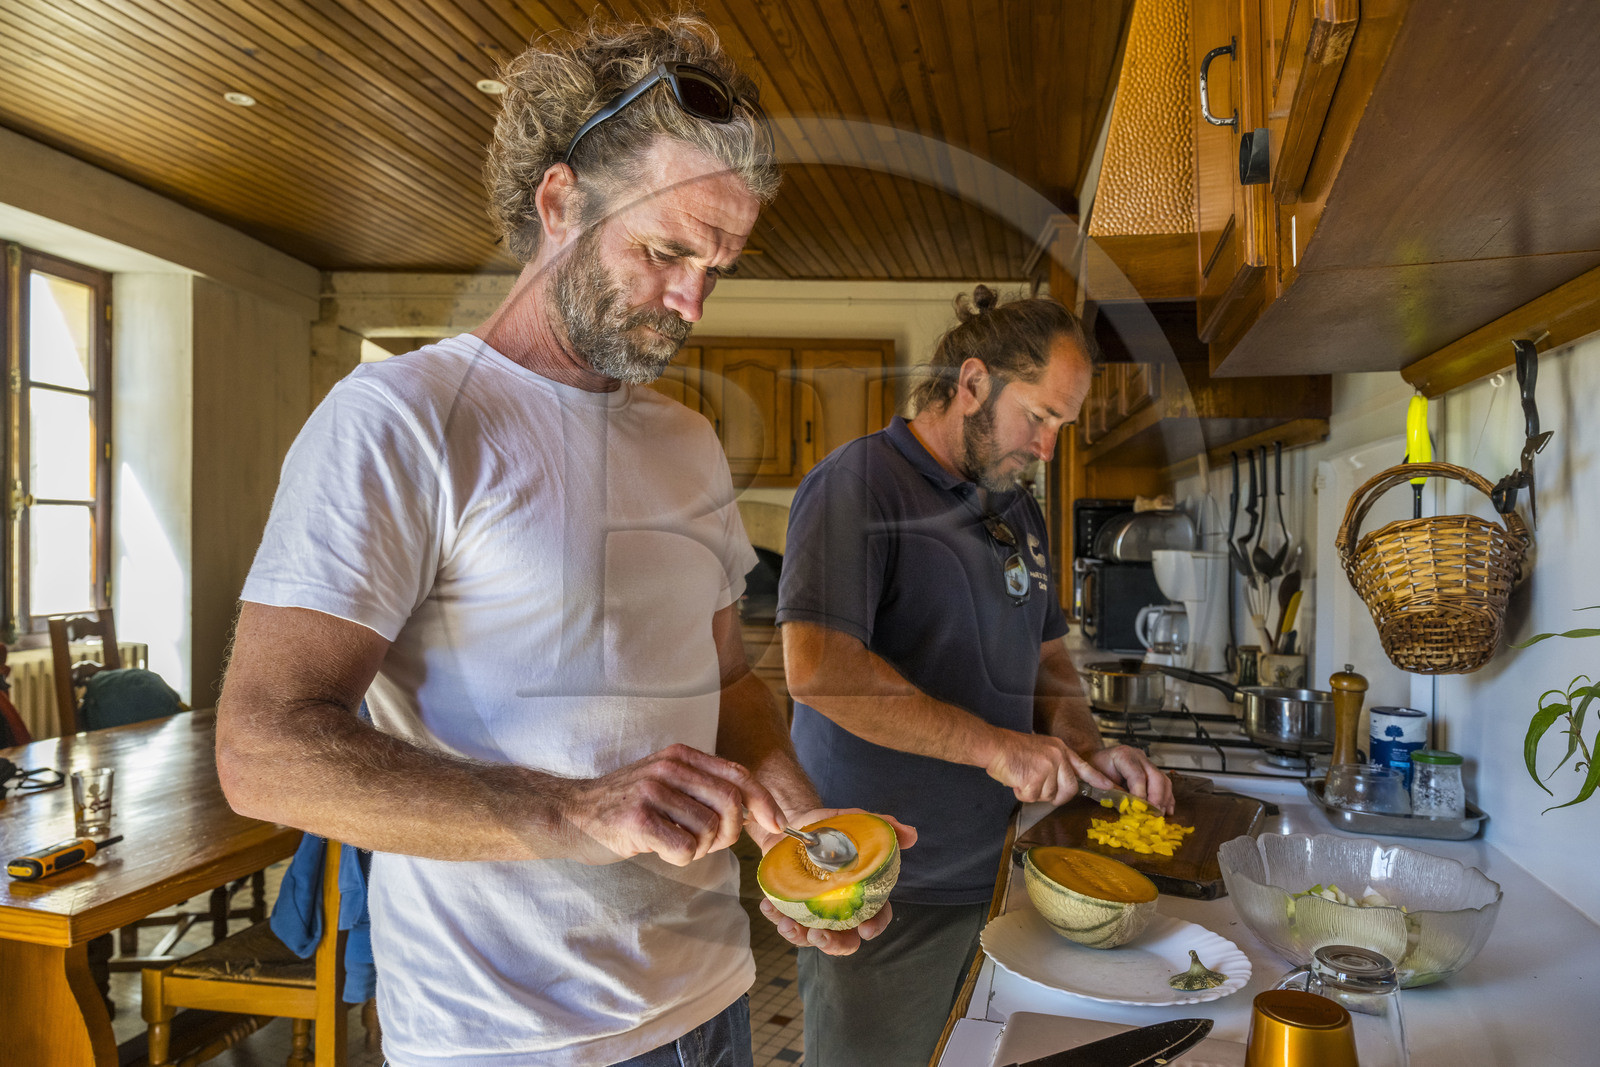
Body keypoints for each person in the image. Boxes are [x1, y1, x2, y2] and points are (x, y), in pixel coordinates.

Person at [215, 15, 911, 1067]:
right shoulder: (401, 420)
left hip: (711, 1004)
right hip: (508, 1039)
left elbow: (729, 684)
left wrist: (799, 833)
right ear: (559, 202)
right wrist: (575, 810)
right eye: (666, 251)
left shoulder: (687, 442)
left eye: (716, 267)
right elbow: (262, 751)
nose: (691, 300)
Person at [773, 286, 1174, 1067]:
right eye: (1040, 417)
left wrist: (1089, 749)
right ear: (974, 382)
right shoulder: (859, 483)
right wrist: (998, 747)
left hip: (1001, 880)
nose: (1048, 448)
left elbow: (1047, 657)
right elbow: (819, 669)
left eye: (1062, 426)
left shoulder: (1016, 507)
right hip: (888, 889)